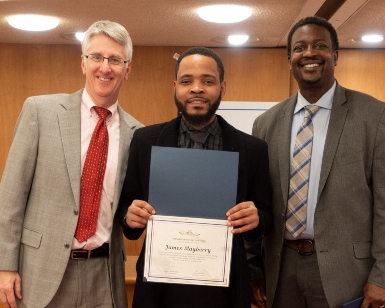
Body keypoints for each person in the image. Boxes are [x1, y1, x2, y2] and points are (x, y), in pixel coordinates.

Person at [0, 20, 143, 308]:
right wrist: (5, 265)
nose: (105, 67)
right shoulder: (40, 112)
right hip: (42, 273)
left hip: (104, 276)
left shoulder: (138, 134)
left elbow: (126, 205)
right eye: (97, 57)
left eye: (115, 59)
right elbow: (11, 195)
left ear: (127, 69)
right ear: (83, 63)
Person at [117, 46, 272, 308]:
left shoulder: (252, 149)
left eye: (207, 81)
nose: (197, 88)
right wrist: (129, 216)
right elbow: (127, 206)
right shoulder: (145, 142)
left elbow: (266, 217)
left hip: (225, 288)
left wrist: (256, 218)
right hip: (159, 287)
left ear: (222, 87)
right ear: (175, 87)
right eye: (187, 81)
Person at [252, 16, 385, 308]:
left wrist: (382, 276)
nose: (309, 53)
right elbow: (257, 201)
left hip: (347, 273)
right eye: (300, 48)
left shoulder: (374, 117)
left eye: (320, 46)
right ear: (290, 59)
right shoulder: (266, 124)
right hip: (280, 268)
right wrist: (255, 269)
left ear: (335, 55)